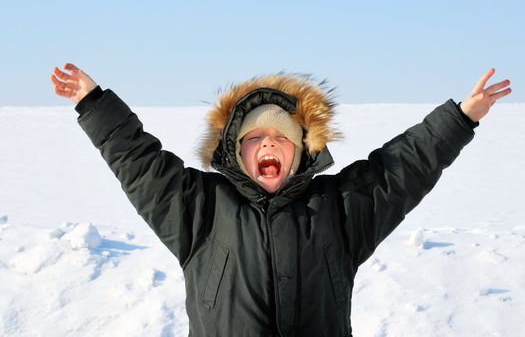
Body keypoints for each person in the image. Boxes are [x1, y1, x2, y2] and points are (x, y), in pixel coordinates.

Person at [51, 64, 511, 337]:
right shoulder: (201, 208)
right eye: (255, 138)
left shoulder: (339, 208)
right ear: (236, 150)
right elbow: (140, 162)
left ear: (301, 150)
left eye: (282, 137)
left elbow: (402, 169)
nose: (268, 145)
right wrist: (94, 104)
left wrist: (459, 118)